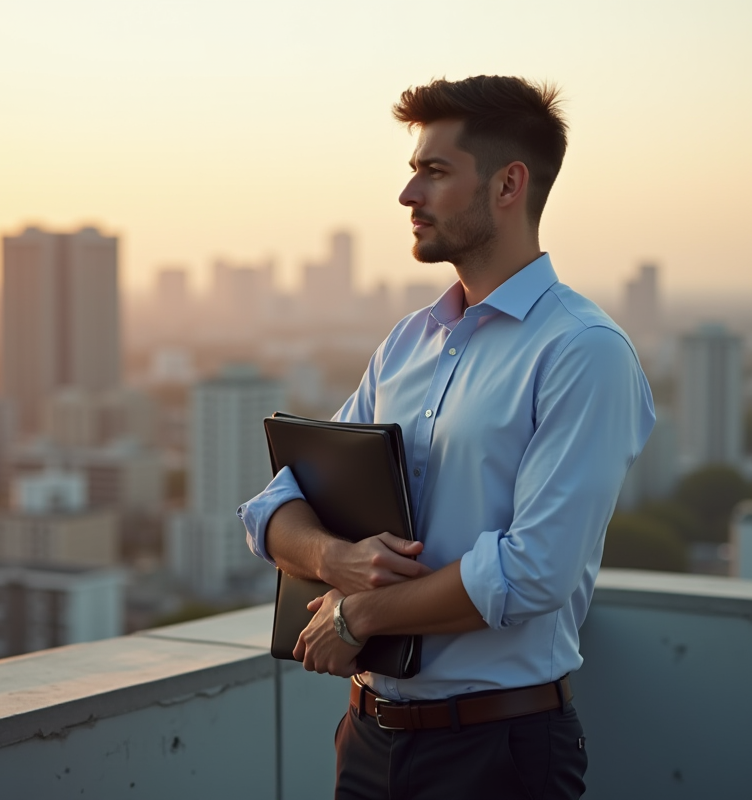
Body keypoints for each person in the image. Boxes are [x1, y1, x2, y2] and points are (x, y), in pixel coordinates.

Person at [237, 75, 655, 800]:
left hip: (497, 754)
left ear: (507, 185)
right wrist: (340, 559)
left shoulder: (581, 350)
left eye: (434, 171)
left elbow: (535, 573)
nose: (408, 196)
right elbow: (276, 504)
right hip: (368, 740)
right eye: (412, 172)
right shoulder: (408, 343)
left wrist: (358, 611)